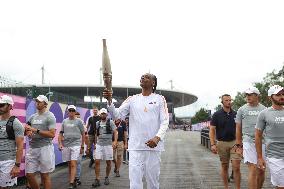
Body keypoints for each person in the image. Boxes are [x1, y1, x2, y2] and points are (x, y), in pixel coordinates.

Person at [103, 73, 169, 189]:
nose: (143, 78)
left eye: (147, 77)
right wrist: (109, 101)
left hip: (153, 148)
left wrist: (157, 137)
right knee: (134, 184)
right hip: (135, 148)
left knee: (153, 183)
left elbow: (165, 121)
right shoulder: (132, 99)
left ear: (153, 83)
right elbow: (117, 116)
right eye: (142, 77)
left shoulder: (159, 99)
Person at [235, 87, 266, 189]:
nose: (247, 97)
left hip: (262, 142)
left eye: (250, 94)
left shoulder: (264, 109)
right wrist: (239, 145)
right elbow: (238, 128)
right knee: (253, 169)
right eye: (246, 95)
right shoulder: (241, 109)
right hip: (248, 141)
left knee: (261, 170)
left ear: (257, 96)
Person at [209, 94, 242, 189]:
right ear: (222, 102)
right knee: (224, 166)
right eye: (226, 100)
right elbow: (212, 130)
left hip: (235, 142)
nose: (229, 102)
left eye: (230, 100)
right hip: (222, 143)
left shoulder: (236, 114)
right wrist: (213, 144)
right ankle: (226, 187)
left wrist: (240, 142)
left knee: (236, 166)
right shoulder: (216, 115)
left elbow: (240, 129)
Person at [24, 95, 56, 189]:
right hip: (33, 148)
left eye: (40, 101)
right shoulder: (32, 116)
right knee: (29, 174)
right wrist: (28, 131)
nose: (37, 103)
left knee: (44, 175)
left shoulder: (50, 116)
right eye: (36, 101)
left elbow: (52, 134)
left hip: (45, 148)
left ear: (45, 104)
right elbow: (27, 128)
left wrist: (35, 130)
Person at [255, 85, 284, 188]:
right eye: (278, 95)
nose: (282, 96)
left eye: (282, 94)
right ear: (270, 97)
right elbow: (258, 136)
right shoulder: (264, 114)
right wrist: (259, 157)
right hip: (274, 156)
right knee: (281, 186)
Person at [0, 95, 24, 188]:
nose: (0, 107)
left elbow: (20, 146)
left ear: (10, 106)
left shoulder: (15, 123)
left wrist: (17, 166)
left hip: (7, 161)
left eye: (2, 105)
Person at [58, 105, 85, 189]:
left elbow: (83, 134)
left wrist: (82, 146)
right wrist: (60, 144)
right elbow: (60, 133)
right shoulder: (64, 121)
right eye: (70, 110)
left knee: (73, 163)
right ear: (67, 111)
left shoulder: (79, 121)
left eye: (73, 110)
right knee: (69, 164)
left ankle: (71, 183)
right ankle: (72, 180)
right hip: (66, 145)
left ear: (75, 112)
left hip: (76, 145)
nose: (71, 112)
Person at [92, 108, 118, 187]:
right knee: (96, 161)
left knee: (108, 162)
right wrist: (96, 143)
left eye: (104, 114)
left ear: (106, 115)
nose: (103, 115)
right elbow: (96, 133)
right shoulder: (97, 123)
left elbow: (115, 132)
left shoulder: (110, 122)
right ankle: (97, 179)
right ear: (100, 115)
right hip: (99, 144)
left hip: (108, 145)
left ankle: (106, 177)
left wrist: (115, 141)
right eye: (102, 114)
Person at [74, 111, 88, 186]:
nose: (78, 118)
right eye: (77, 117)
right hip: (71, 145)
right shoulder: (70, 122)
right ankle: (72, 177)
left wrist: (85, 146)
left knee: (78, 161)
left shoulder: (82, 123)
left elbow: (86, 135)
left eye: (79, 117)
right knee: (72, 162)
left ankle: (77, 177)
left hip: (80, 145)